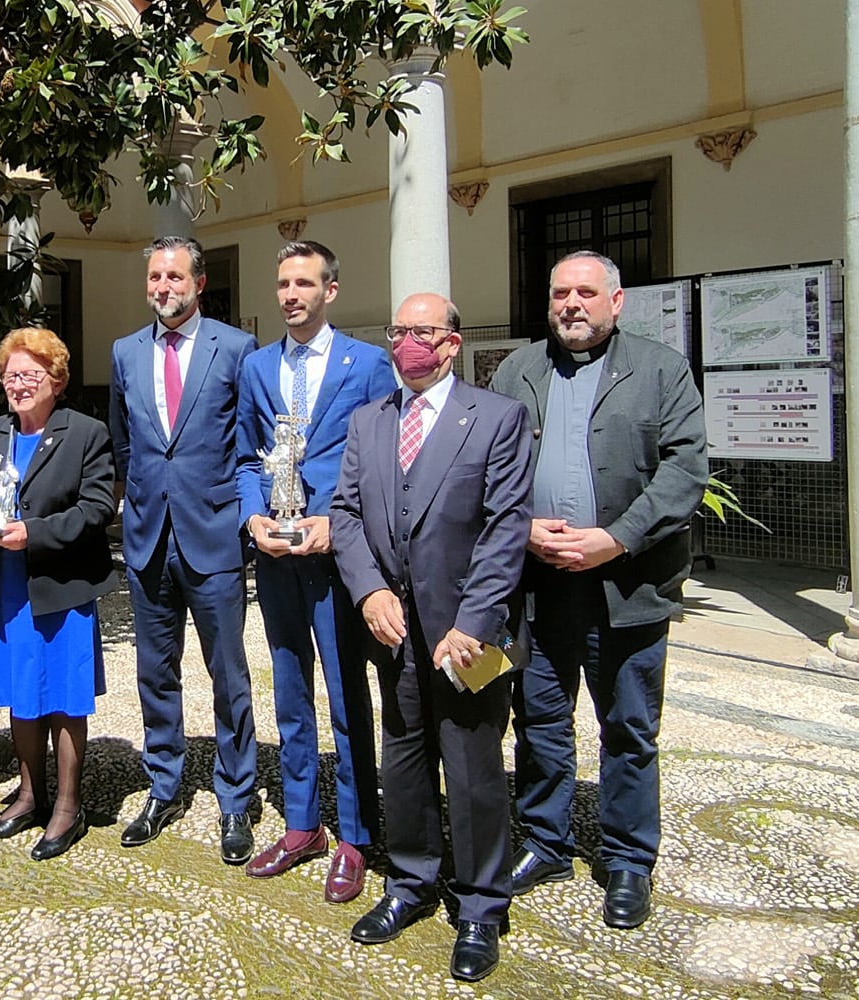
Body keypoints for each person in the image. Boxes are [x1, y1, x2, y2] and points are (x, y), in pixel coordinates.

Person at [490, 250, 707, 929]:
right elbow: (486, 467)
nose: (571, 305)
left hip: (627, 583)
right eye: (560, 293)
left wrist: (615, 537)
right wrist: (522, 529)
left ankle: (628, 860)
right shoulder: (517, 370)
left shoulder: (661, 369)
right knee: (541, 721)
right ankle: (546, 841)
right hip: (539, 584)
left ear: (617, 303)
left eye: (586, 293)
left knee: (629, 727)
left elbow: (685, 470)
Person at [330, 293, 531, 982]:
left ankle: (479, 905)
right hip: (393, 630)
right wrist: (370, 591)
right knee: (405, 757)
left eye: (418, 332)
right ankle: (410, 883)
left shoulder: (498, 417)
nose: (404, 343)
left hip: (469, 632)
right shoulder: (370, 421)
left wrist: (473, 625)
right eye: (396, 331)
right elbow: (346, 514)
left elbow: (507, 528)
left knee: (473, 764)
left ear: (450, 343)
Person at [236, 241, 395, 902]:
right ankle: (303, 824)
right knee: (290, 693)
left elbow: (387, 459)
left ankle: (358, 833)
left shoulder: (368, 364)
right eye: (283, 284)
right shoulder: (257, 367)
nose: (291, 294)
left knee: (345, 693)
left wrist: (340, 519)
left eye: (304, 283)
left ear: (331, 289)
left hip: (336, 554)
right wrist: (252, 520)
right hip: (276, 555)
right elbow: (245, 456)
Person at [108, 235, 258, 865]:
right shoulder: (124, 352)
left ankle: (235, 797)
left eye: (174, 276)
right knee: (154, 674)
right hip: (147, 538)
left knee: (229, 675)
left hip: (214, 534)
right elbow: (125, 442)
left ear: (198, 283)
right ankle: (162, 785)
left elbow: (247, 439)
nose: (163, 287)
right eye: (154, 277)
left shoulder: (236, 347)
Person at [0, 327, 117, 861]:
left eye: (31, 375)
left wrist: (38, 533)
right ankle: (29, 794)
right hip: (4, 586)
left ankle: (68, 805)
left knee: (64, 696)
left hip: (61, 586)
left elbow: (97, 509)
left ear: (56, 380)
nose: (18, 384)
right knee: (21, 690)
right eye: (11, 375)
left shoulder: (86, 432)